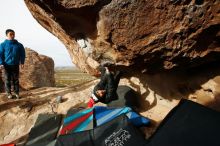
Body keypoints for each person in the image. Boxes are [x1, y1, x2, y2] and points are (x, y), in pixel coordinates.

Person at [0, 29, 25, 99]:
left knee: (16, 79)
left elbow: (22, 54)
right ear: (7, 35)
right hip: (6, 65)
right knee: (7, 79)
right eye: (10, 34)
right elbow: (0, 54)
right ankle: (9, 93)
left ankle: (16, 93)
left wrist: (22, 62)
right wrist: (1, 63)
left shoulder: (19, 45)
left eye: (13, 34)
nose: (12, 35)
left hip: (15, 64)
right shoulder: (3, 45)